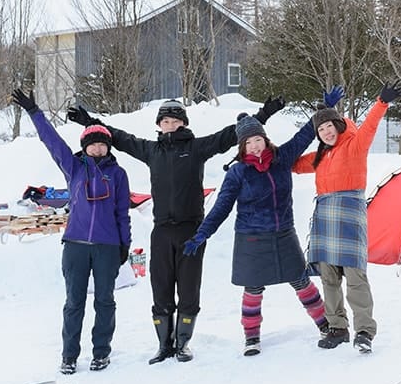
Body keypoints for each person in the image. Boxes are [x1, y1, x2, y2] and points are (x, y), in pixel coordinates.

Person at [67, 95, 285, 364]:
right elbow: (120, 139)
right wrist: (89, 122)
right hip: (161, 231)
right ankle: (163, 345)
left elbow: (230, 136)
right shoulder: (151, 151)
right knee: (160, 289)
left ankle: (183, 344)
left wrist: (263, 114)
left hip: (191, 230)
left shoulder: (196, 148)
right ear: (159, 125)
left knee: (189, 289)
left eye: (175, 120)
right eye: (165, 121)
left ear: (183, 123)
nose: (170, 125)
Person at [182, 112, 326, 356]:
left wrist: (322, 113)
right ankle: (251, 338)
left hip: (283, 232)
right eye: (248, 143)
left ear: (265, 139)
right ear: (242, 147)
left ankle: (325, 325)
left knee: (301, 280)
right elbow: (221, 207)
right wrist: (201, 234)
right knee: (253, 288)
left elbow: (304, 137)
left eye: (257, 140)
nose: (254, 146)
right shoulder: (238, 172)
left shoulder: (282, 158)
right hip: (252, 236)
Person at [11, 88, 132, 375]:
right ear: (85, 146)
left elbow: (122, 213)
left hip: (106, 247)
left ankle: (101, 352)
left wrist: (124, 245)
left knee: (105, 301)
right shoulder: (74, 168)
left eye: (103, 144)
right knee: (74, 302)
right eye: (93, 144)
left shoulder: (118, 174)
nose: (99, 148)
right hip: (75, 246)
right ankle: (69, 355)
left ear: (108, 147)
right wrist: (34, 112)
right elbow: (51, 141)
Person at [294, 82, 401, 353]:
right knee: (329, 278)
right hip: (325, 217)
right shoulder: (319, 155)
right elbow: (293, 164)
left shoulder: (355, 146)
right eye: (320, 130)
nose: (325, 132)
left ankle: (364, 330)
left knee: (356, 276)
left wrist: (381, 102)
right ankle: (338, 328)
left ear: (338, 125)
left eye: (328, 126)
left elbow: (369, 127)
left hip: (350, 216)